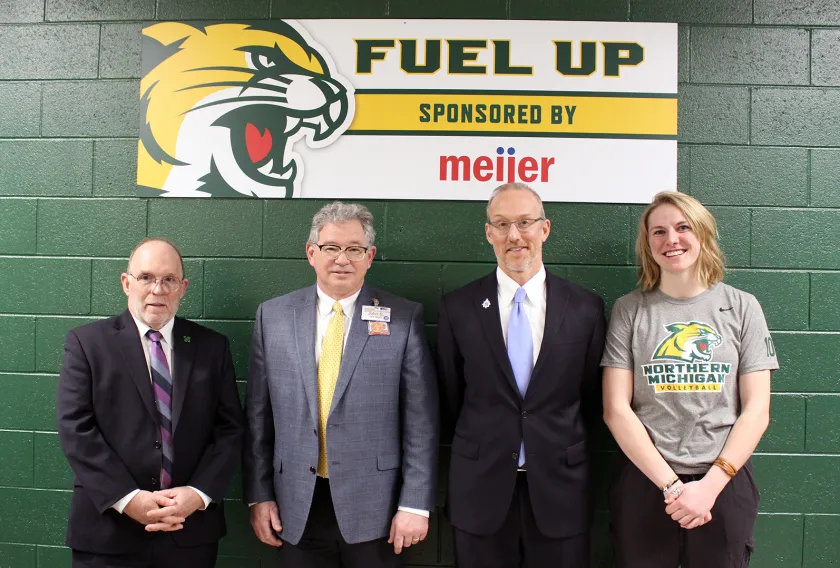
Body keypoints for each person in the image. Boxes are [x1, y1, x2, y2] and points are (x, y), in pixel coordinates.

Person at [243, 201, 438, 568]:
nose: (342, 259)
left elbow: (421, 422)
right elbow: (257, 417)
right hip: (295, 505)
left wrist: (414, 502)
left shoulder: (404, 317)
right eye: (331, 248)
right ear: (311, 253)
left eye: (354, 249)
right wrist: (259, 495)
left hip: (376, 509)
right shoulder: (273, 316)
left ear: (370, 256)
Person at [602, 191, 778, 567]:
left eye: (683, 228)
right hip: (647, 481)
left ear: (703, 235)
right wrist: (671, 487)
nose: (671, 240)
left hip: (724, 481)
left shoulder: (743, 307)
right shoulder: (629, 310)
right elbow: (616, 410)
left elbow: (757, 410)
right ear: (647, 244)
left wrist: (709, 487)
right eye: (659, 232)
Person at [436, 182, 606, 568]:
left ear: (544, 229)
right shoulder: (458, 307)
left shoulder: (585, 308)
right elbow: (451, 394)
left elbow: (591, 398)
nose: (514, 235)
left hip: (560, 489)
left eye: (525, 222)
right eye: (501, 224)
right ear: (489, 233)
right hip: (480, 489)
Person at [56, 237, 244, 568]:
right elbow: (76, 429)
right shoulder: (87, 344)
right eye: (146, 278)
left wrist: (196, 496)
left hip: (189, 534)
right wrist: (128, 500)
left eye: (169, 279)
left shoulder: (212, 347)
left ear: (183, 287)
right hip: (108, 535)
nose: (157, 290)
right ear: (126, 283)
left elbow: (229, 430)